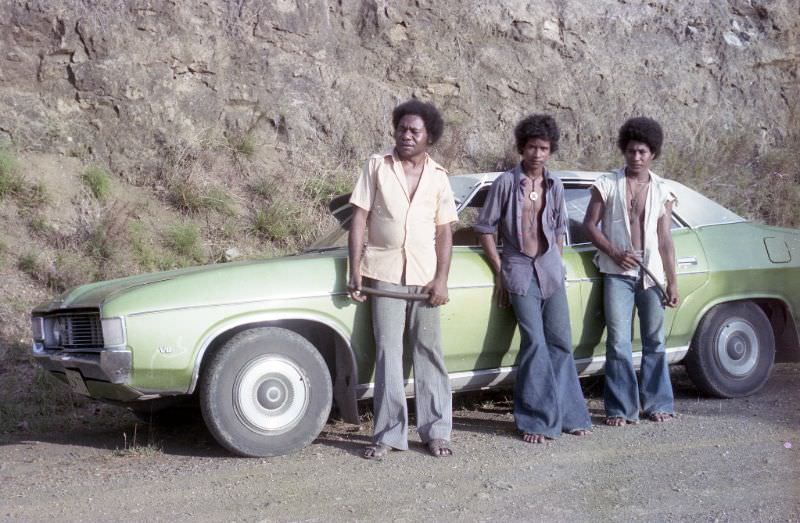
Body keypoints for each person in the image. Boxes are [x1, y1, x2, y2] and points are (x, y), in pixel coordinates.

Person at [348, 99, 458, 459]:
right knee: (388, 353)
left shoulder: (439, 176)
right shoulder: (377, 166)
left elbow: (444, 232)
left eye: (415, 131)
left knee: (429, 353)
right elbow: (359, 219)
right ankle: (389, 434)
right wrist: (355, 269)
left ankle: (437, 431)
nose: (406, 135)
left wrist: (441, 279)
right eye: (402, 128)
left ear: (429, 137)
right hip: (383, 274)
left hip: (425, 278)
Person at [474, 114, 592, 443]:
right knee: (535, 344)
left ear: (550, 150)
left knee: (561, 343)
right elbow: (485, 230)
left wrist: (558, 259)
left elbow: (558, 229)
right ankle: (535, 421)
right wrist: (500, 271)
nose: (537, 154)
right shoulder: (506, 183)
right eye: (531, 147)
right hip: (518, 269)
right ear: (521, 148)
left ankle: (570, 416)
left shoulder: (554, 185)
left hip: (550, 270)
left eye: (543, 148)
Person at [583, 116, 679, 426]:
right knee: (619, 342)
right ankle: (621, 408)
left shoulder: (663, 190)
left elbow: (665, 240)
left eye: (643, 152)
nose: (636, 158)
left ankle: (658, 403)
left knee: (655, 340)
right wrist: (613, 251)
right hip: (616, 272)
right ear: (623, 151)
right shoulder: (608, 183)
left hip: (651, 275)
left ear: (653, 153)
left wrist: (672, 282)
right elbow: (589, 225)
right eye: (631, 151)